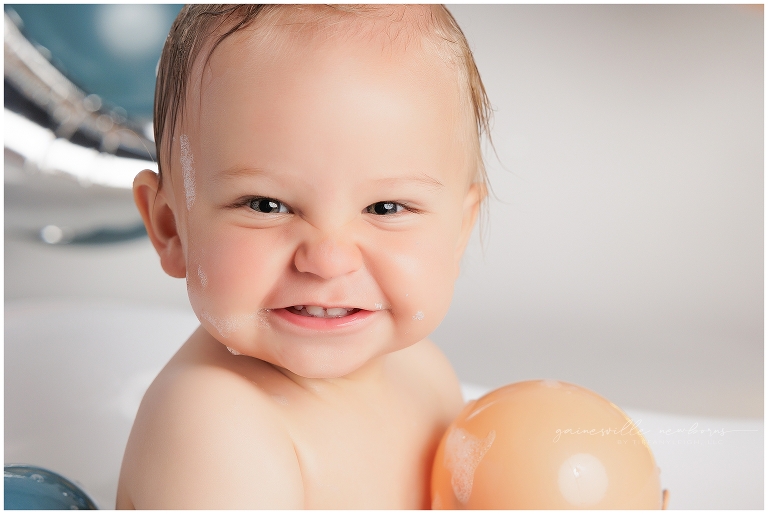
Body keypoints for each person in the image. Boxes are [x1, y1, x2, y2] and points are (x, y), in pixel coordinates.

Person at [117, 4, 491, 508]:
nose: (328, 258)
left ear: (459, 231)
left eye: (385, 207)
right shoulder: (212, 424)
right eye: (267, 206)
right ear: (170, 229)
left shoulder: (423, 371)